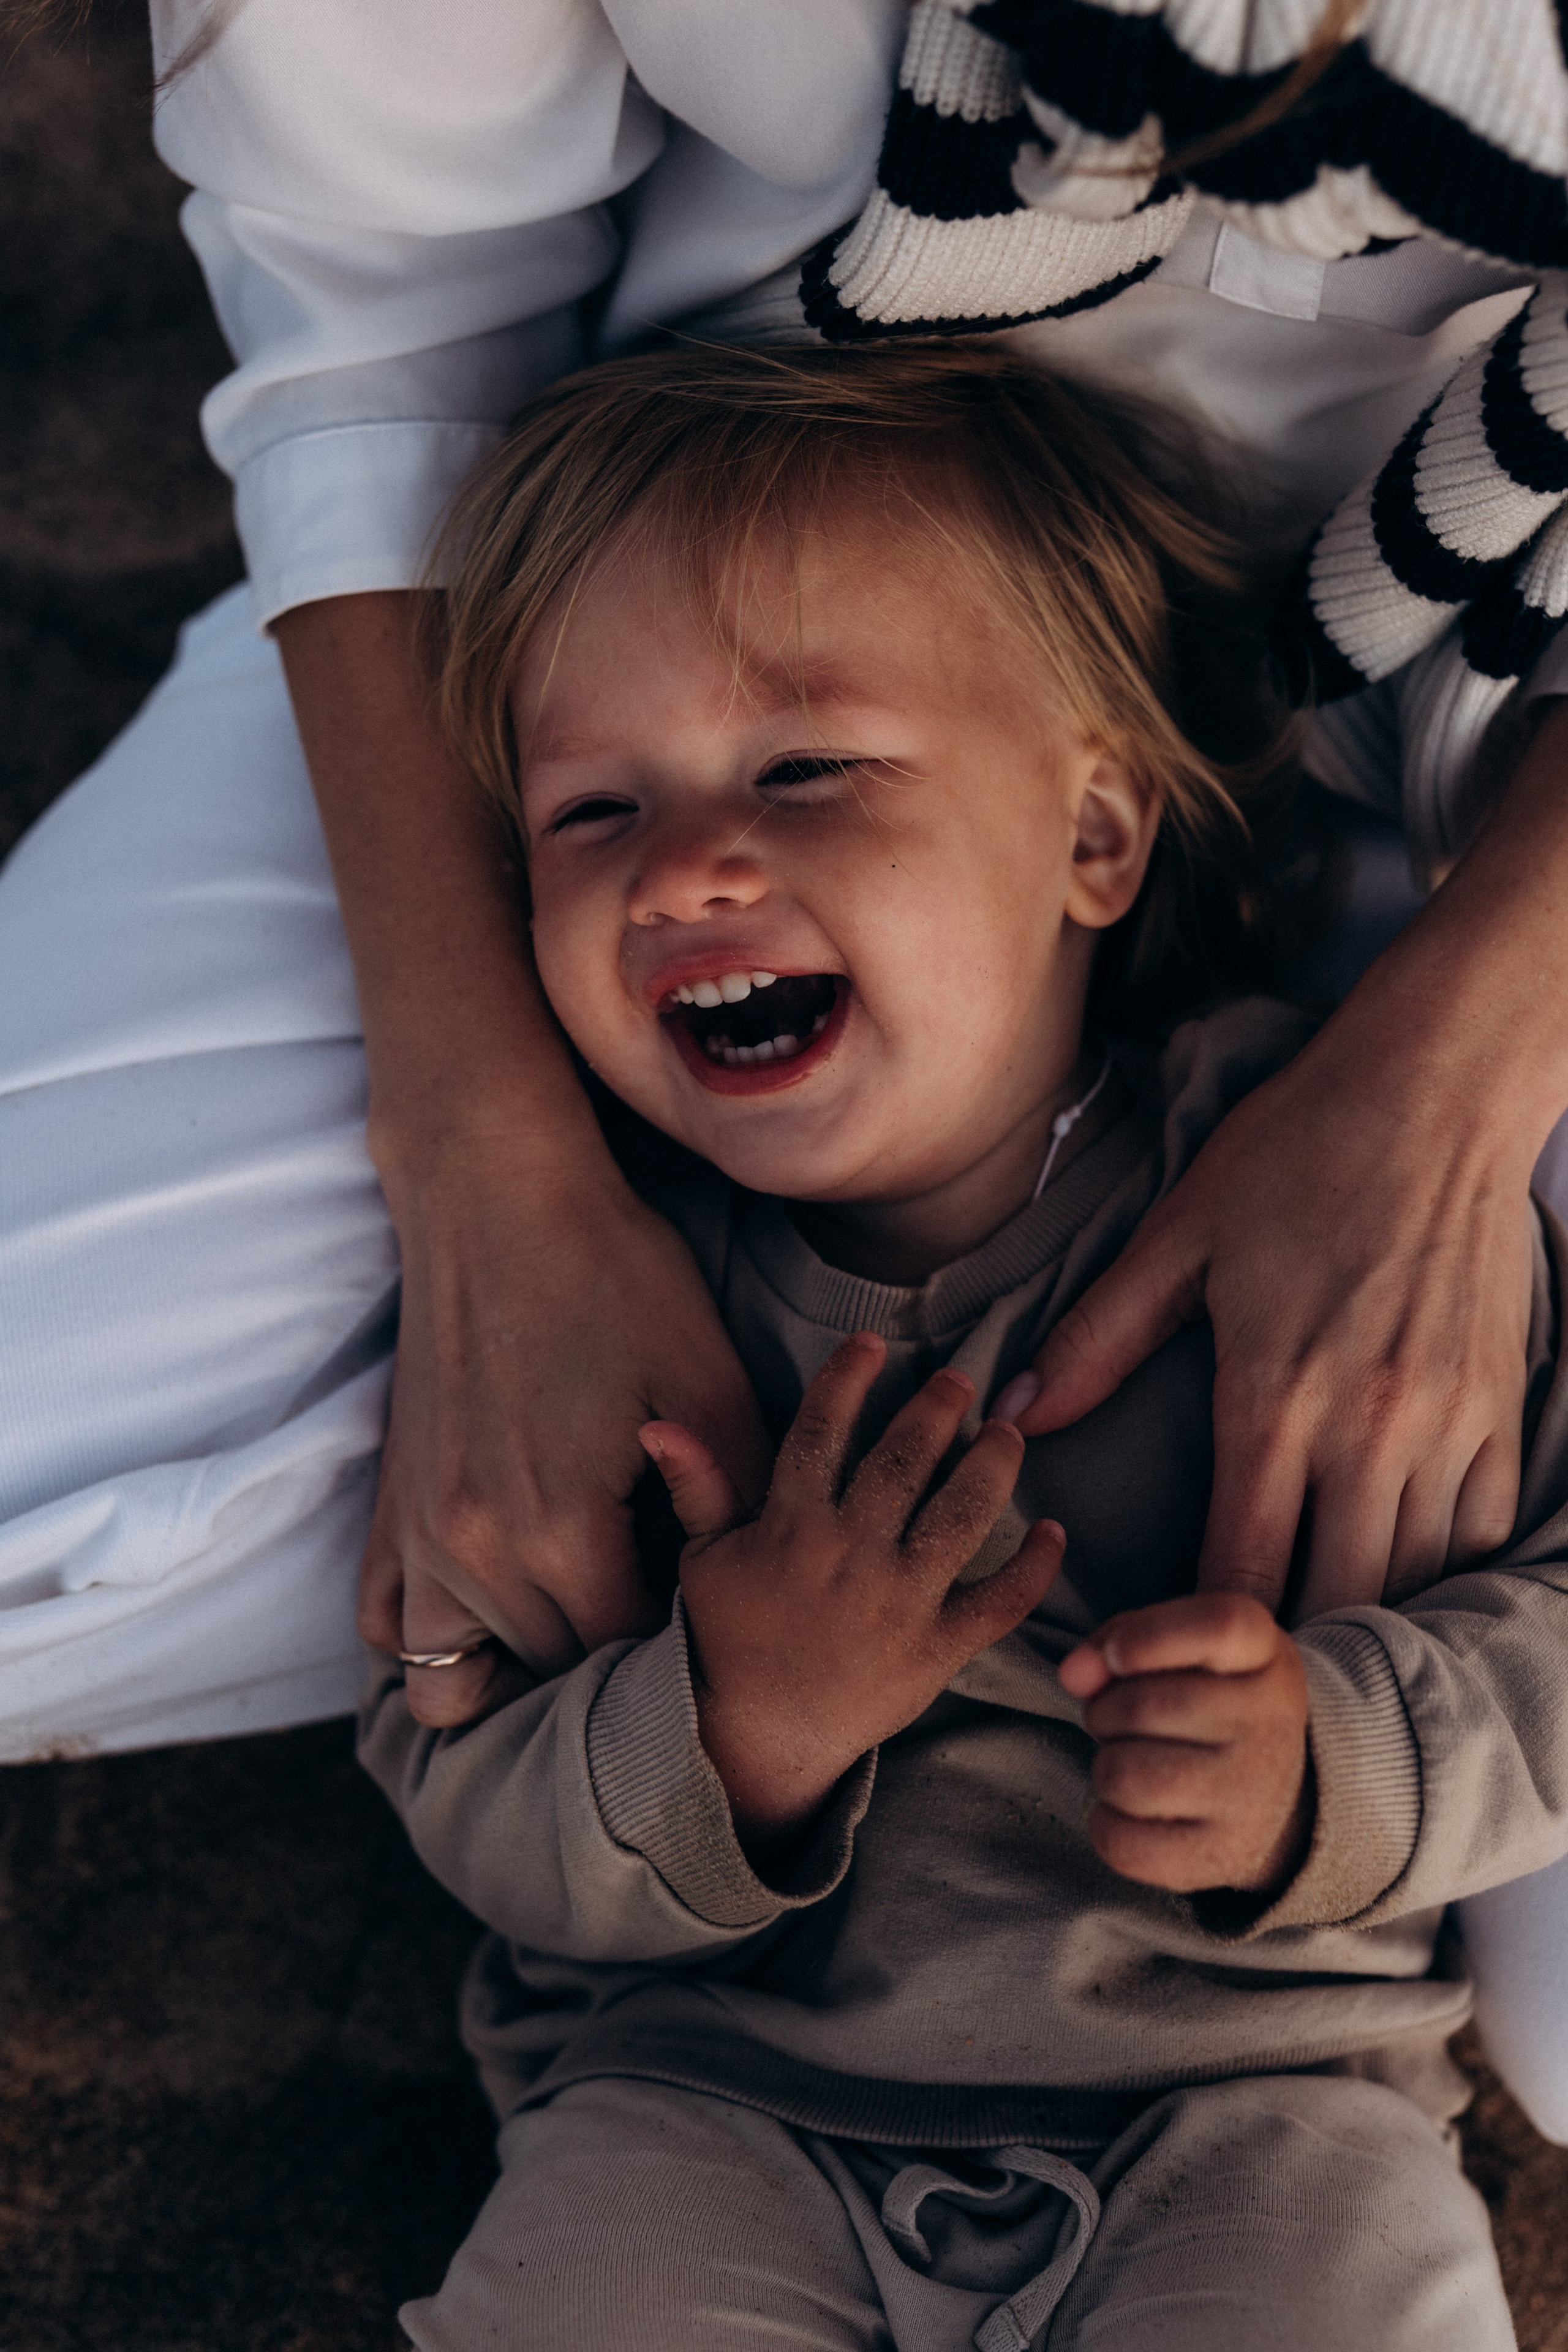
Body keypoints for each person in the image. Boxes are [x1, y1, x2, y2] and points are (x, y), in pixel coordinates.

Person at [1, 0, 1566, 2132]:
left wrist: (1455, 1069)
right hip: (651, 581)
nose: (687, 886)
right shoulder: (667, 867)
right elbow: (381, 311)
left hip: (1495, 715)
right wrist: (491, 1161)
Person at [360, 339, 1561, 2349]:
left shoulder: (1304, 1197)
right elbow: (450, 1762)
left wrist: (1333, 1766)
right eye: (589, 810)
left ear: (1095, 834)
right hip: (707, 2103)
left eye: (805, 767)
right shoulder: (599, 1291)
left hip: (1258, 2103)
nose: (682, 869)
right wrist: (728, 1731)